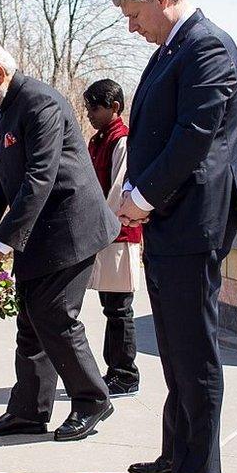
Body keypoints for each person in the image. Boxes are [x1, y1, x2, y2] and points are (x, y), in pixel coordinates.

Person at [112, 0, 237, 473]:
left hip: (193, 222)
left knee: (194, 350)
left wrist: (142, 198)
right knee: (173, 347)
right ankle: (177, 453)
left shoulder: (208, 47)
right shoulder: (171, 49)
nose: (131, 25)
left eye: (133, 13)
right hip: (168, 222)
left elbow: (194, 137)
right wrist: (132, 193)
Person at [0, 42, 118, 442]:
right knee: (30, 318)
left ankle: (91, 399)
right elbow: (1, 181)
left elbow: (39, 178)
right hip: (37, 232)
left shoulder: (41, 102)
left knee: (54, 314)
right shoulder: (1, 114)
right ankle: (29, 411)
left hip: (70, 227)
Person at [83, 79, 142, 396]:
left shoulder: (122, 140)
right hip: (103, 234)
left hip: (119, 234)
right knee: (112, 307)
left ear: (114, 108)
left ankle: (125, 373)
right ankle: (116, 371)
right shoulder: (97, 141)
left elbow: (119, 191)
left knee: (120, 308)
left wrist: (99, 226)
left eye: (95, 107)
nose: (90, 114)